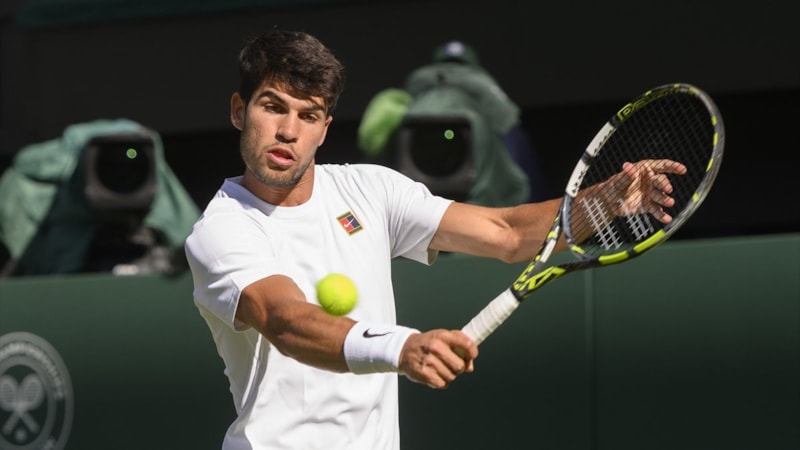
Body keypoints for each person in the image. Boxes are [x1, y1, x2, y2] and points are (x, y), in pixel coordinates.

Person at [184, 29, 687, 450]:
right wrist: (402, 347)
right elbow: (286, 321)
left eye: (308, 115)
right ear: (239, 111)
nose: (288, 131)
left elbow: (507, 233)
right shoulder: (222, 230)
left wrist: (607, 200)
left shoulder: (370, 190)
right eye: (273, 107)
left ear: (324, 129)